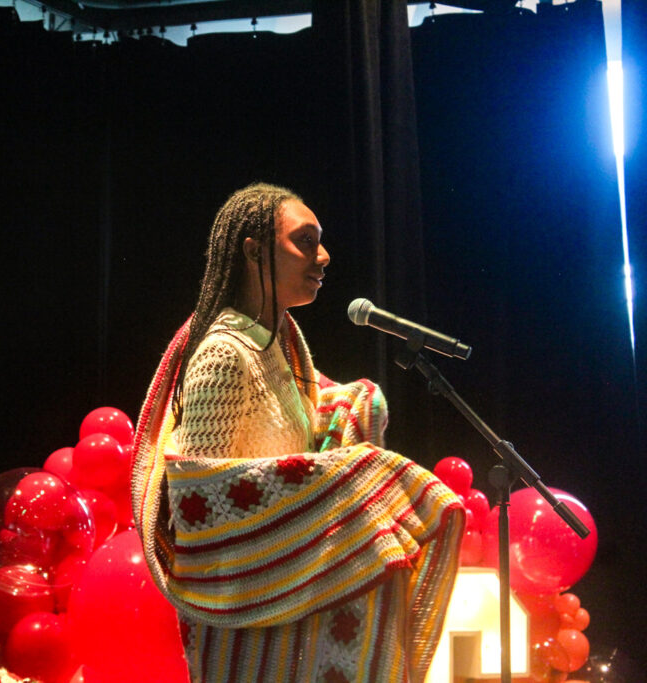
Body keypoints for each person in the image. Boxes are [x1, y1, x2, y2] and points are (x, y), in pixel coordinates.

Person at [131, 183, 465, 682]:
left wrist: (352, 410)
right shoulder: (224, 355)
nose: (324, 257)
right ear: (253, 251)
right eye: (305, 241)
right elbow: (197, 509)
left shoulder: (279, 348)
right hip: (247, 631)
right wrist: (354, 480)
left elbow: (309, 429)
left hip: (288, 622)